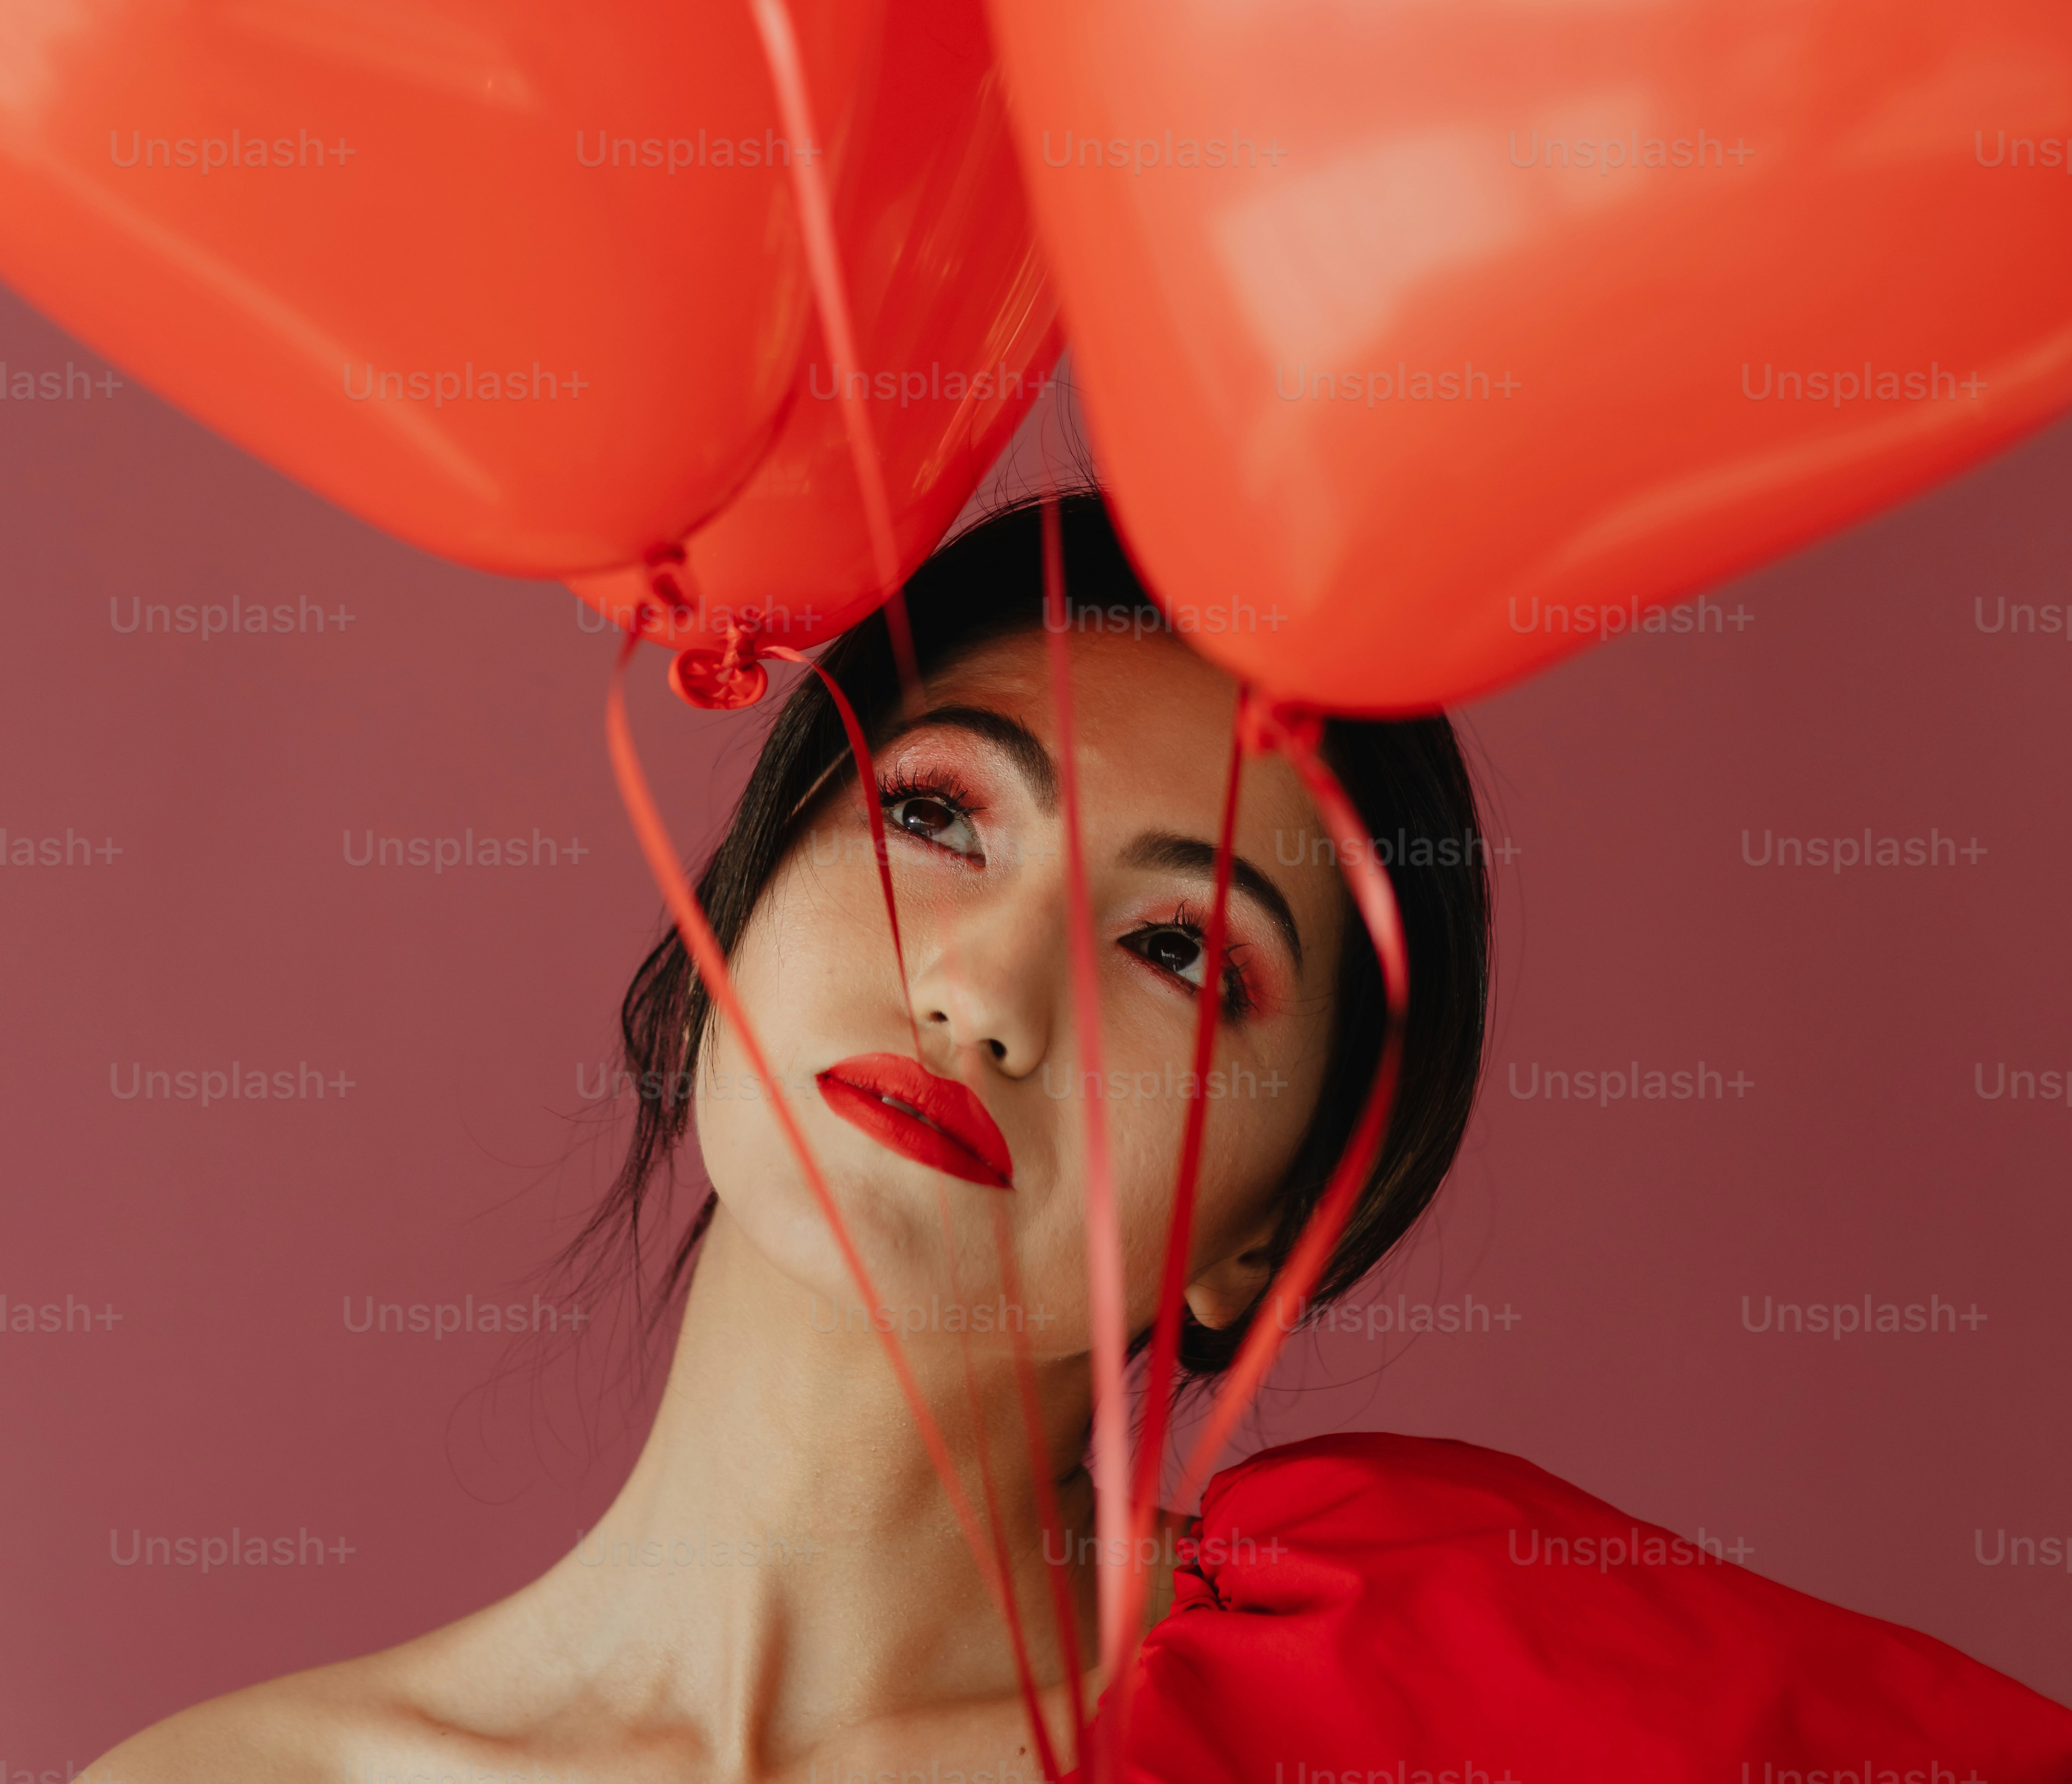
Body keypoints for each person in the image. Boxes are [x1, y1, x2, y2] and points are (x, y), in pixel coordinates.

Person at [86, 495, 2072, 1781]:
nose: (978, 994)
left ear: (1268, 1235)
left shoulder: (1440, 1692)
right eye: (938, 817)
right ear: (716, 948)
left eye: (1178, 947)